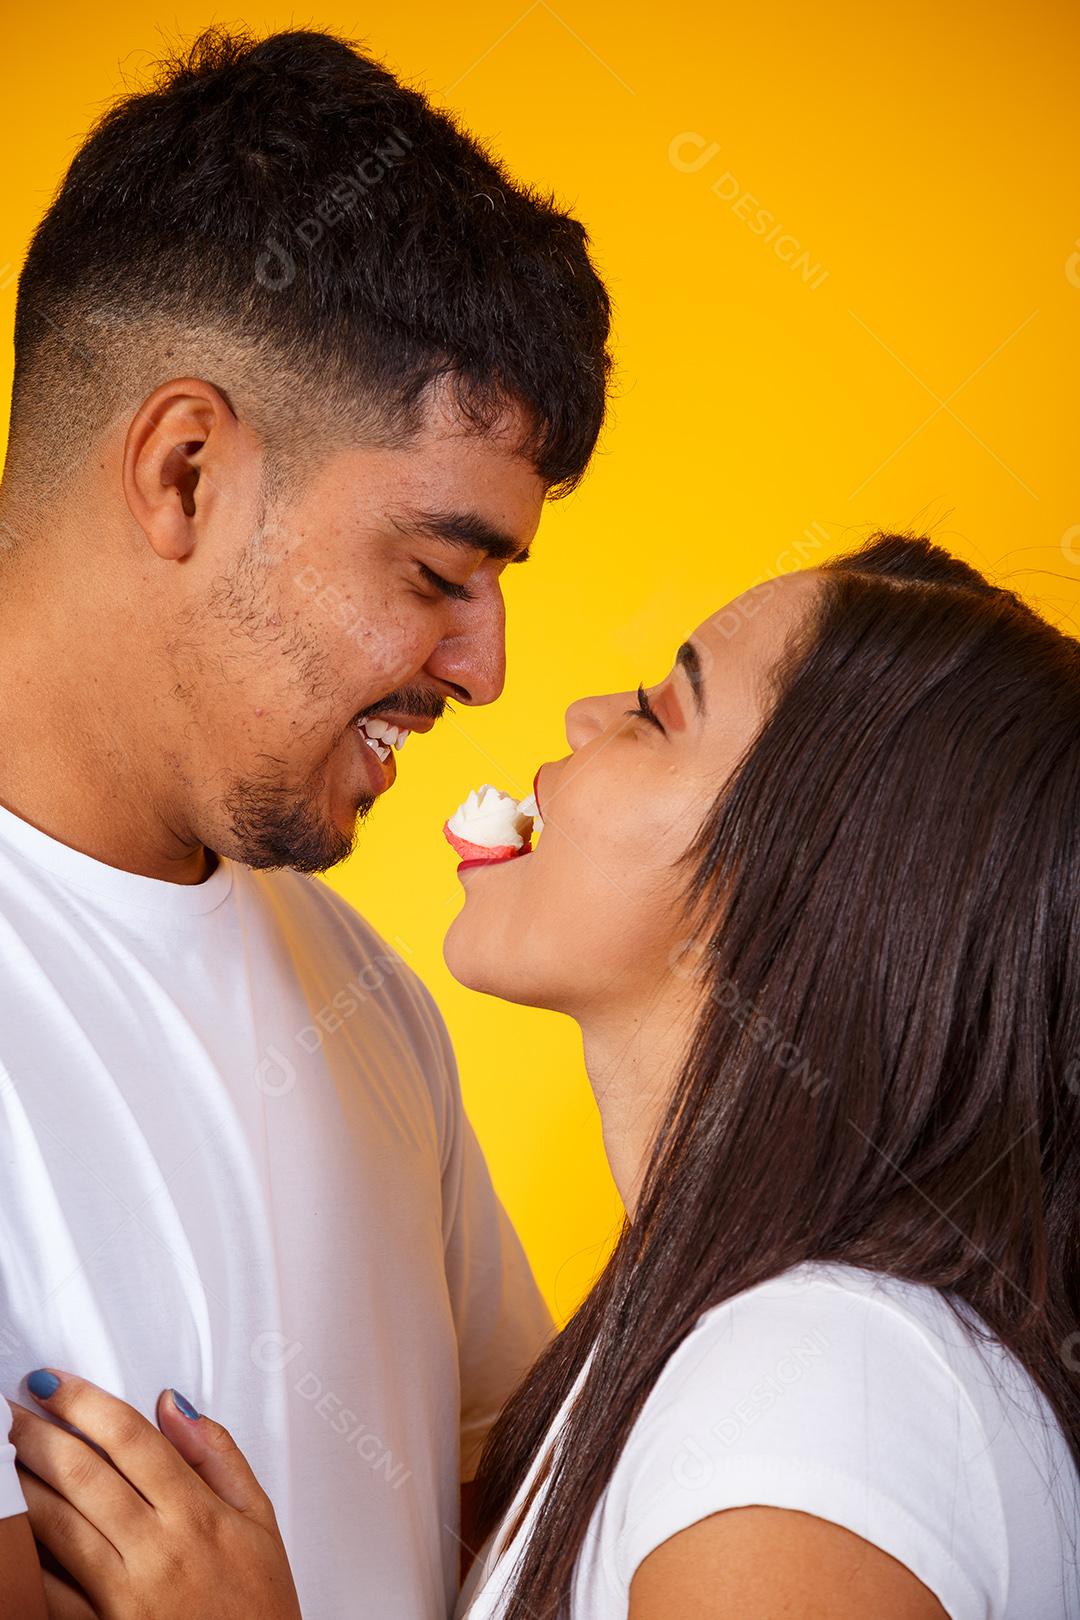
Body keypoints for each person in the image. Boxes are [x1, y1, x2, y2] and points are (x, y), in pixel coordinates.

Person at [12, 532, 1080, 1619]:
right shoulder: (759, 1363)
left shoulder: (818, 1398)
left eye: (661, 713)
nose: (575, 713)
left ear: (814, 890)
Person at [0, 22, 612, 1620]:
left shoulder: (375, 1005)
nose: (485, 667)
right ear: (186, 471)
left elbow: (543, 1540)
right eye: (435, 572)